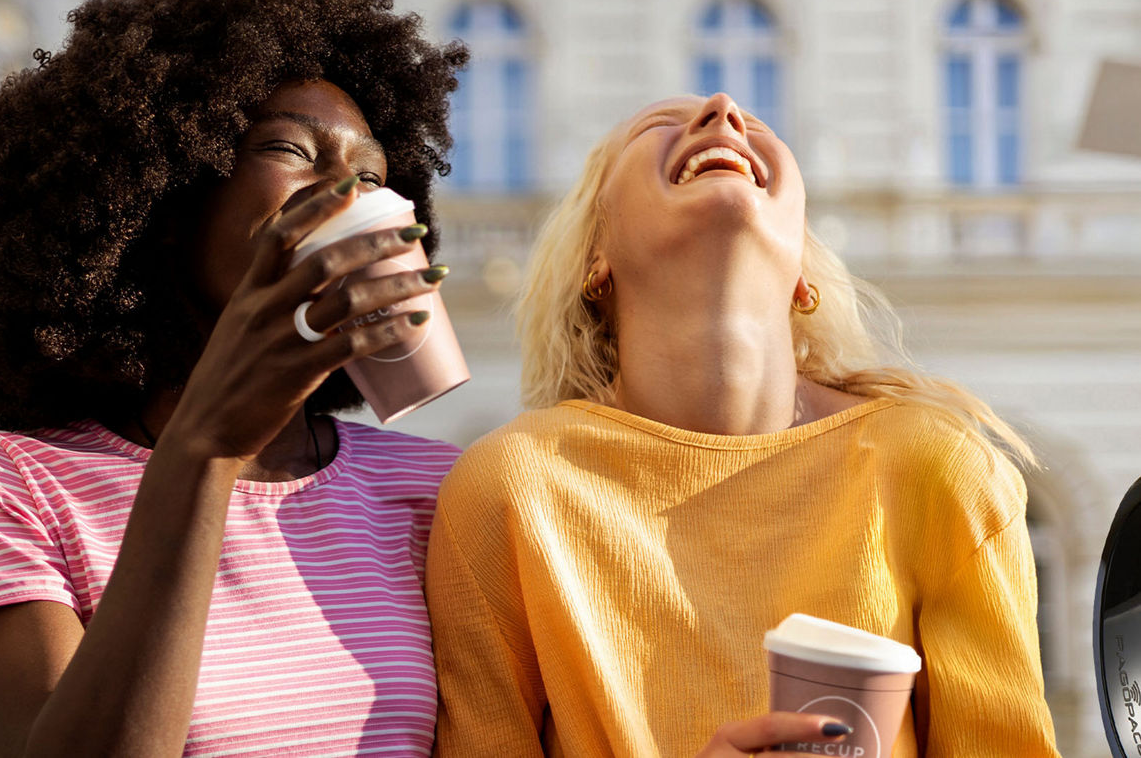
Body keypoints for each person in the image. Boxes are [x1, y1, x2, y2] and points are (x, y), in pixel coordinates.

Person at [0, 0, 468, 757]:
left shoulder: (439, 490)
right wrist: (207, 447)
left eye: (375, 175)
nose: (349, 193)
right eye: (289, 149)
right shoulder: (11, 483)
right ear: (164, 190)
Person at [425, 92, 1060, 756]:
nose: (724, 112)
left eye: (755, 128)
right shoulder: (507, 488)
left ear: (803, 277)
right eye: (657, 127)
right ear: (596, 256)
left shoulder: (937, 467)